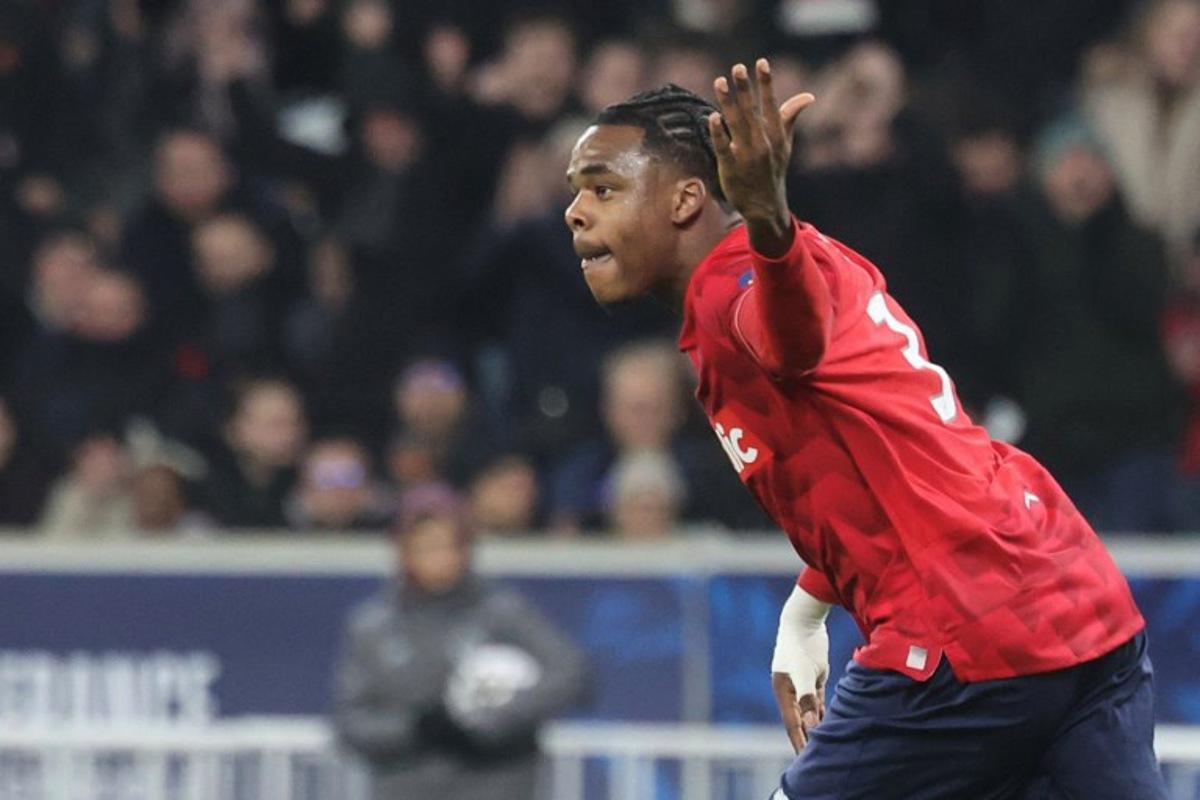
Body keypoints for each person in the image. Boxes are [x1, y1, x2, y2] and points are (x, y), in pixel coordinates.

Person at [564, 61, 1164, 798]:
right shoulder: (826, 257)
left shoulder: (741, 287)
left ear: (688, 199)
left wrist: (768, 225)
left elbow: (791, 338)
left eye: (602, 186)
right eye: (576, 193)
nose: (577, 211)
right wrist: (808, 604)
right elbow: (898, 445)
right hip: (1074, 602)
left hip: (965, 634)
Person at [332, 484, 587, 800]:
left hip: (497, 785)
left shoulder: (504, 613)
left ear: (466, 548)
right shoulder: (373, 626)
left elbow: (570, 673)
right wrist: (417, 729)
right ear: (403, 552)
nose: (438, 558)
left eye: (447, 545)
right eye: (424, 547)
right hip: (408, 788)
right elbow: (349, 724)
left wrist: (492, 721)